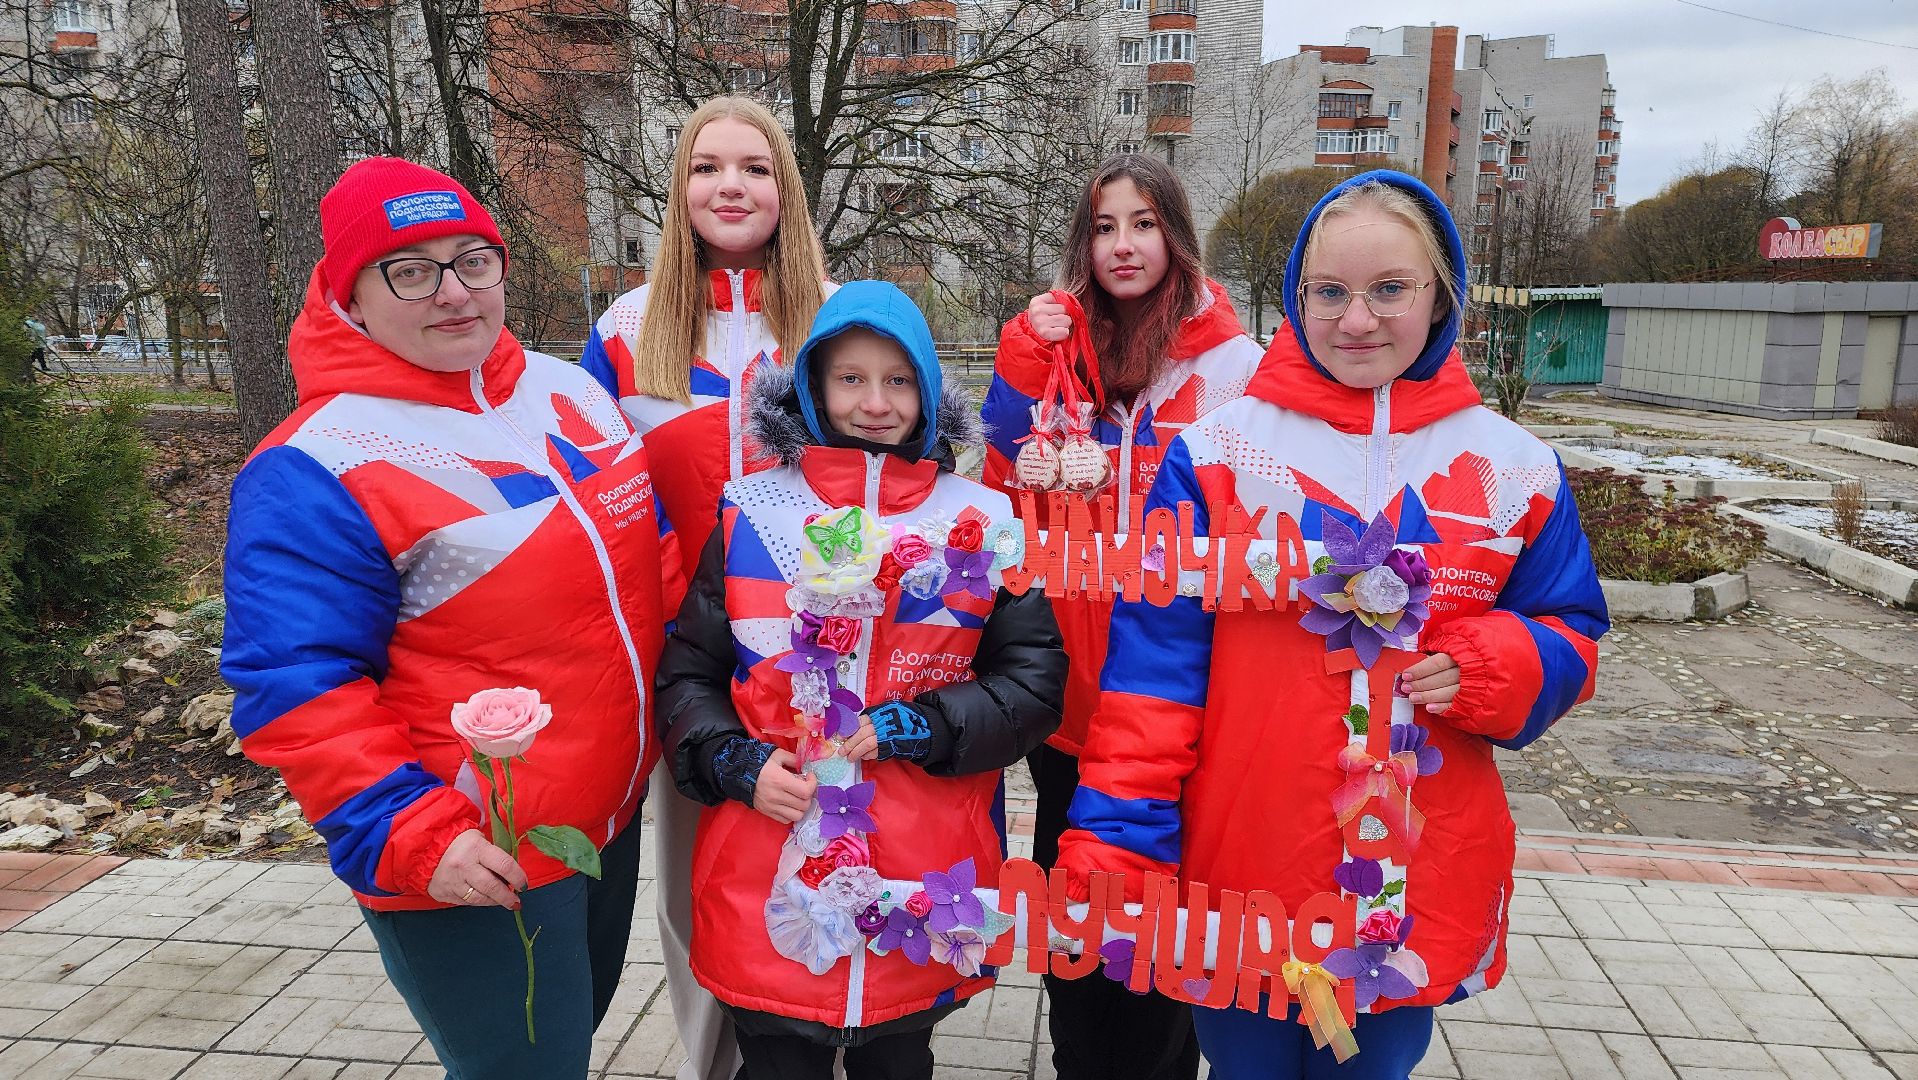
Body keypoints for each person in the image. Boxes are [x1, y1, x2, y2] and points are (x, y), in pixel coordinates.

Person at [1055, 169, 1608, 1079]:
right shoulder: (1218, 455)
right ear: (1294, 297)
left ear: (1440, 298)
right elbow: (1152, 677)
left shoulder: (1516, 467)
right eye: (1330, 292)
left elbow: (1571, 627)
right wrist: (1118, 842)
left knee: (1374, 1067)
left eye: (1390, 289)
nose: (1358, 320)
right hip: (1243, 866)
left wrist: (1494, 663)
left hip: (1419, 871)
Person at [221, 157, 680, 1080]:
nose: (454, 292)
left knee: (568, 1047)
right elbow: (296, 689)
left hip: (603, 823)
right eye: (410, 268)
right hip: (476, 853)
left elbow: (655, 568)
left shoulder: (568, 392)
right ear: (350, 295)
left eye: (473, 258)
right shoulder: (318, 463)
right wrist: (412, 834)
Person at [655, 280, 1067, 1080]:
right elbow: (687, 677)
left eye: (898, 379)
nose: (876, 402)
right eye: (850, 378)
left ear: (929, 390)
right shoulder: (749, 514)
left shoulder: (983, 520)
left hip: (923, 867)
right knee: (774, 1063)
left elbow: (1033, 683)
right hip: (766, 866)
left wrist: (919, 724)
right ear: (813, 385)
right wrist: (731, 764)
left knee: (901, 1059)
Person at [978, 152, 1263, 1080]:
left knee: (1164, 946)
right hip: (1070, 705)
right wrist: (1024, 363)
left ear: (1175, 234)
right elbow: (1000, 497)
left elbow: (1264, 518)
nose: (1123, 246)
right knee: (1076, 939)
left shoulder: (1231, 366)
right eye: (1104, 227)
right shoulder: (1063, 348)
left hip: (1181, 710)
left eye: (1142, 223)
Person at [580, 95, 831, 1080]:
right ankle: (710, 1066)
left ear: (785, 189)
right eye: (707, 167)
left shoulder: (833, 318)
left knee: (822, 864)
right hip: (686, 673)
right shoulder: (624, 330)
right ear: (679, 189)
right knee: (694, 893)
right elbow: (598, 510)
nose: (731, 185)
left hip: (821, 668)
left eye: (755, 167)